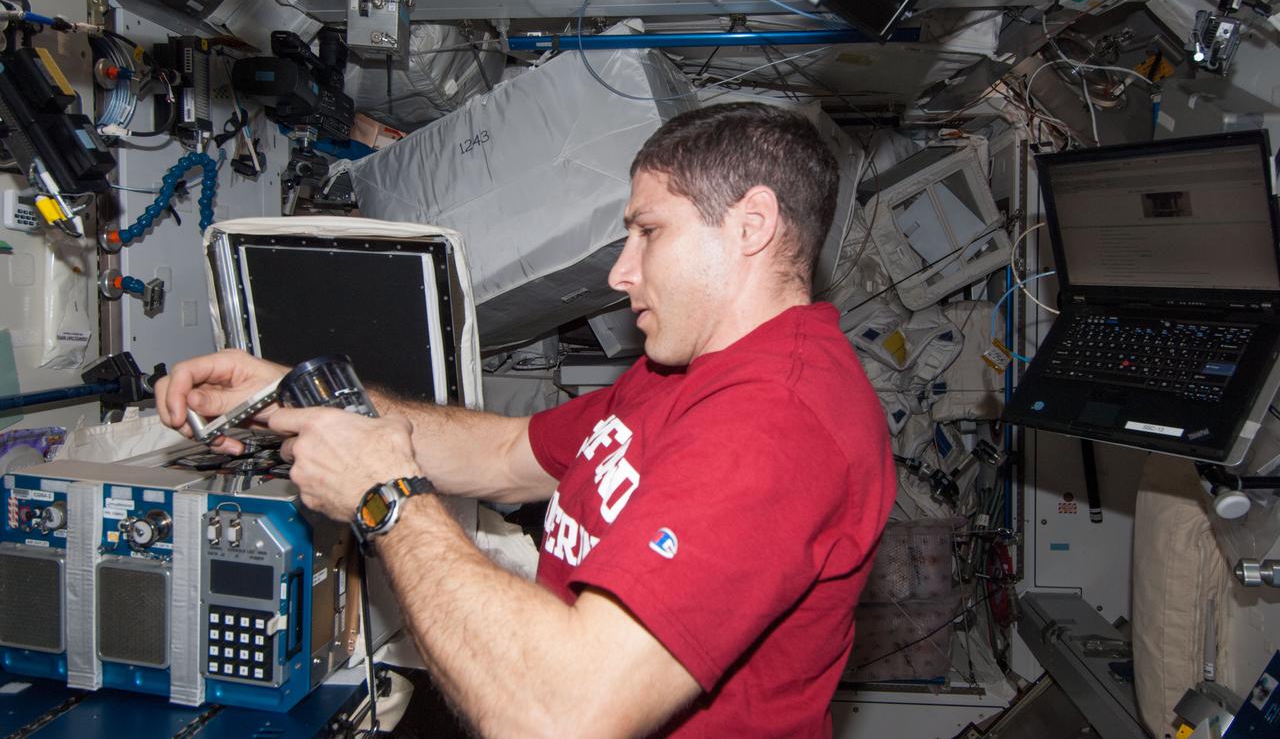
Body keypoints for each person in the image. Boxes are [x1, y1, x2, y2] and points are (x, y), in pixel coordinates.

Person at [157, 102, 894, 738]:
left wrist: (385, 499)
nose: (620, 272)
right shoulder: (681, 373)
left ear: (751, 226)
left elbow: (564, 715)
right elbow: (507, 452)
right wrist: (297, 391)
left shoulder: (778, 420)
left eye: (649, 232)